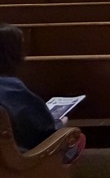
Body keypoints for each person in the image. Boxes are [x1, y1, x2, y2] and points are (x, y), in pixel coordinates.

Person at [0, 23, 86, 163]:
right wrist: (60, 122)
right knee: (74, 137)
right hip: (16, 163)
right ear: (13, 55)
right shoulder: (12, 89)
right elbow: (44, 131)